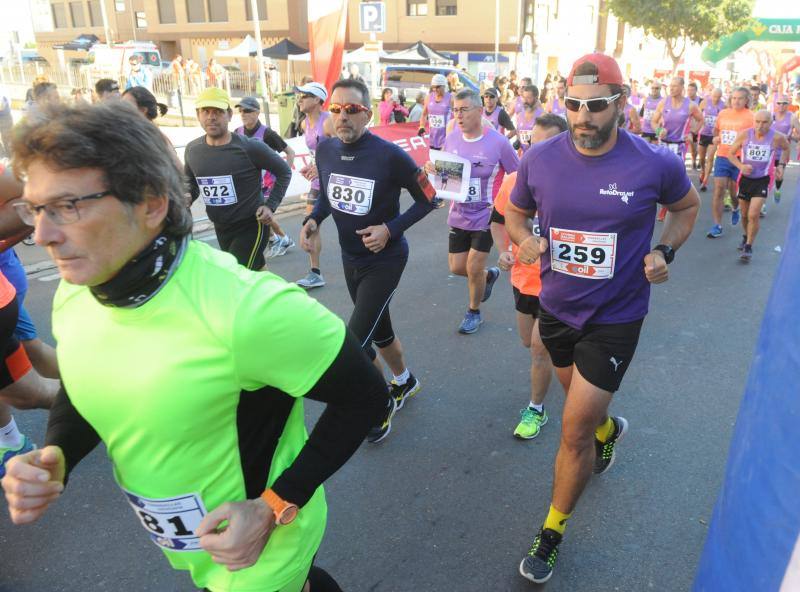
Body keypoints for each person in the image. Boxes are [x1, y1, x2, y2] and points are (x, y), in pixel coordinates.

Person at [3, 100, 388, 592]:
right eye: (34, 208)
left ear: (150, 204)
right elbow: (85, 378)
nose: (41, 235)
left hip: (259, 551)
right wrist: (58, 452)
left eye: (67, 207)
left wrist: (274, 507)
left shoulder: (246, 309)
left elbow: (366, 395)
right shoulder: (78, 287)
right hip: (191, 547)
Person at [505, 53, 699, 584]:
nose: (583, 116)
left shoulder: (655, 163)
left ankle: (552, 530)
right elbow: (516, 213)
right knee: (582, 413)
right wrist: (524, 242)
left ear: (622, 102)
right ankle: (609, 429)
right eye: (573, 105)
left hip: (617, 316)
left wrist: (665, 251)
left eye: (595, 106)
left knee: (572, 433)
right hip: (557, 308)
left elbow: (687, 207)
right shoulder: (539, 159)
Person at [299, 78, 436, 443]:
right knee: (380, 330)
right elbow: (328, 197)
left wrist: (390, 229)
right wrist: (313, 219)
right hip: (350, 257)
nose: (343, 116)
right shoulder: (325, 151)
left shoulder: (390, 155)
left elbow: (429, 198)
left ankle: (380, 404)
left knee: (355, 343)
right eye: (337, 109)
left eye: (352, 110)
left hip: (385, 259)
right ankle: (405, 381)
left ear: (368, 114)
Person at [490, 113, 567, 439]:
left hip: (561, 284)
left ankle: (536, 409)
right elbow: (497, 220)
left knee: (539, 348)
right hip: (524, 280)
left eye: (545, 145)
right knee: (529, 342)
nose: (535, 152)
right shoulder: (514, 182)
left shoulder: (575, 184)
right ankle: (557, 360)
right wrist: (504, 250)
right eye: (531, 144)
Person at [426, 88, 519, 334]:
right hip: (460, 213)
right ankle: (488, 276)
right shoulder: (452, 138)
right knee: (457, 267)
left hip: (487, 214)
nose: (458, 115)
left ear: (479, 111)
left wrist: (510, 209)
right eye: (455, 110)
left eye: (464, 109)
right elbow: (448, 174)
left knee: (473, 266)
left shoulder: (498, 143)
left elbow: (517, 175)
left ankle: (473, 312)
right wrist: (435, 172)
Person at [184, 88, 292, 270]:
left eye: (218, 111)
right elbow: (190, 182)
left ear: (229, 115)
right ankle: (277, 296)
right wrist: (187, 195)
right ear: (198, 115)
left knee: (235, 274)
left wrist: (270, 205)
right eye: (206, 111)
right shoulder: (193, 150)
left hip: (251, 225)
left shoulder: (249, 147)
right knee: (256, 272)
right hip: (220, 226)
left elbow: (284, 172)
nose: (211, 117)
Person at [234, 96, 297, 258]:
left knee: (260, 213)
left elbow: (290, 152)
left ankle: (282, 238)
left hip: (268, 184)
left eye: (247, 110)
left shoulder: (267, 134)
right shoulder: (237, 133)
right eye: (241, 111)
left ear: (257, 112)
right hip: (249, 183)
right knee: (257, 215)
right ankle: (278, 238)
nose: (243, 114)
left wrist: (284, 174)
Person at [725, 110, 790, 261]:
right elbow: (730, 153)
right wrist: (740, 166)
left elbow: (786, 148)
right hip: (745, 179)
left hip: (764, 178)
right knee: (744, 214)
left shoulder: (777, 137)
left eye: (764, 122)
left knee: (753, 214)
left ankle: (748, 246)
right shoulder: (744, 134)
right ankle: (746, 235)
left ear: (771, 123)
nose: (760, 126)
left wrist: (780, 165)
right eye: (757, 122)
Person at [295, 82, 334, 289]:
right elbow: (318, 153)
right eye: (299, 95)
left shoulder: (329, 123)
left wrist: (323, 168)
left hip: (336, 182)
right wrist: (312, 166)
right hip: (319, 182)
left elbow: (343, 152)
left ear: (318, 100)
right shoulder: (304, 124)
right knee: (311, 224)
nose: (299, 99)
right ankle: (315, 272)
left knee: (354, 225)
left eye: (305, 95)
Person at [707, 87, 754, 238]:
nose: (736, 101)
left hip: (740, 158)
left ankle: (735, 208)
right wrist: (715, 139)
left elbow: (756, 137)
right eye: (733, 98)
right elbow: (716, 131)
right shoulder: (723, 113)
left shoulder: (751, 117)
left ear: (746, 100)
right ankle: (717, 225)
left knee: (734, 192)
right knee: (719, 189)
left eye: (740, 98)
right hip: (722, 156)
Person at [771, 94, 800, 202]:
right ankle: (762, 203)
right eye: (779, 103)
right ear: (775, 104)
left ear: (788, 105)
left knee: (779, 175)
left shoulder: (792, 117)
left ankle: (777, 189)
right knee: (765, 176)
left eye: (784, 103)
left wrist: (790, 136)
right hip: (769, 150)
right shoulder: (770, 116)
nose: (781, 105)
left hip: (783, 151)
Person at [698, 88, 725, 191]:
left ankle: (705, 180)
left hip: (714, 136)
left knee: (710, 158)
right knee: (701, 158)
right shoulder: (704, 102)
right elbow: (698, 115)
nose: (716, 99)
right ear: (711, 95)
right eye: (714, 96)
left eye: (718, 97)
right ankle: (703, 171)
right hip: (703, 133)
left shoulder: (723, 106)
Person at [419, 74, 453, 151]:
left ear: (444, 86)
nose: (434, 89)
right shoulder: (428, 97)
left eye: (437, 87)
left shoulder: (451, 98)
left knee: (442, 162)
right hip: (432, 139)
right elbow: (424, 115)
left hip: (446, 140)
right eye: (433, 87)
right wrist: (421, 126)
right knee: (433, 162)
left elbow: (458, 117)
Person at [515, 86, 545, 154]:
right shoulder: (519, 115)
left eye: (528, 98)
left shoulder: (542, 116)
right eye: (524, 98)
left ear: (536, 98)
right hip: (524, 156)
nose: (525, 101)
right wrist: (518, 142)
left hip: (537, 156)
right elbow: (519, 133)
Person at [687, 82, 703, 169]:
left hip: (699, 127)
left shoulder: (700, 101)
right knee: (692, 147)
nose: (690, 92)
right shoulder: (685, 101)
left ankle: (701, 160)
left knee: (699, 147)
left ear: (696, 91)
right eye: (688, 90)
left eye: (692, 90)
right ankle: (693, 160)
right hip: (690, 128)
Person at [0, 88, 13, 158]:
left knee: (7, 138)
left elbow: (1, 106)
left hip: (3, 116)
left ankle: (10, 158)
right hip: (4, 115)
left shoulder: (2, 90)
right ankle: (3, 157)